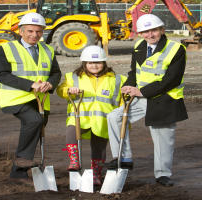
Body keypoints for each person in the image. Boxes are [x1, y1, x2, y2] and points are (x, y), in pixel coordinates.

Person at [105, 14, 188, 187]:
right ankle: (124, 158)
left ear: (162, 30)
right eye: (145, 32)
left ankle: (163, 175)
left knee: (162, 139)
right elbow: (134, 72)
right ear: (140, 33)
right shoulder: (139, 46)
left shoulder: (176, 49)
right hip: (141, 97)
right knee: (114, 117)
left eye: (153, 30)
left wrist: (140, 91)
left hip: (165, 99)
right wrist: (128, 86)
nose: (149, 35)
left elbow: (171, 79)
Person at [0, 12, 61, 181]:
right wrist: (30, 85)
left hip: (40, 100)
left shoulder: (48, 49)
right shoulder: (5, 49)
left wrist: (51, 84)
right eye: (30, 31)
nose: (34, 35)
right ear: (21, 31)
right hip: (16, 98)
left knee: (38, 125)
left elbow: (56, 73)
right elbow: (1, 74)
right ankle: (23, 161)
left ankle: (18, 172)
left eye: (38, 31)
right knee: (34, 121)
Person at [56, 45, 126, 185]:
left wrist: (122, 122)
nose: (94, 65)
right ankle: (74, 161)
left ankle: (96, 174)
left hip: (103, 121)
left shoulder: (117, 80)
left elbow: (122, 103)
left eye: (98, 62)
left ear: (104, 63)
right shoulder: (73, 77)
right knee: (71, 134)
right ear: (84, 63)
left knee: (99, 148)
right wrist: (68, 90)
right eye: (90, 62)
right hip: (79, 117)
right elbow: (61, 90)